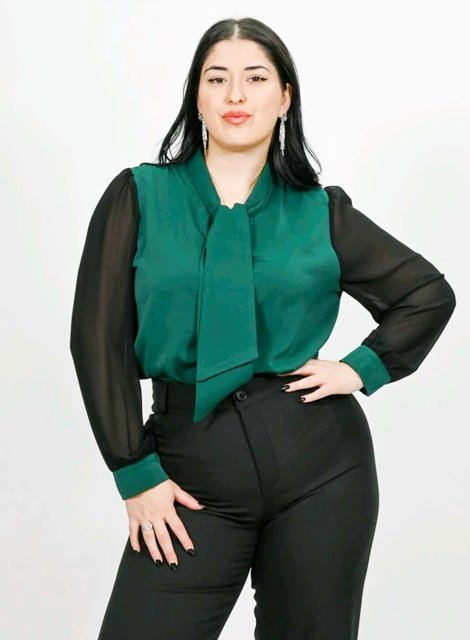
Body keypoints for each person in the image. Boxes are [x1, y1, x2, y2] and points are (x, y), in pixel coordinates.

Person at [69, 16, 456, 640]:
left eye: (255, 79)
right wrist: (133, 473)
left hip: (322, 469)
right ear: (197, 97)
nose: (235, 95)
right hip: (188, 474)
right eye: (216, 79)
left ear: (284, 97)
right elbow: (97, 341)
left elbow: (426, 294)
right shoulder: (140, 196)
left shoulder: (319, 210)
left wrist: (361, 368)